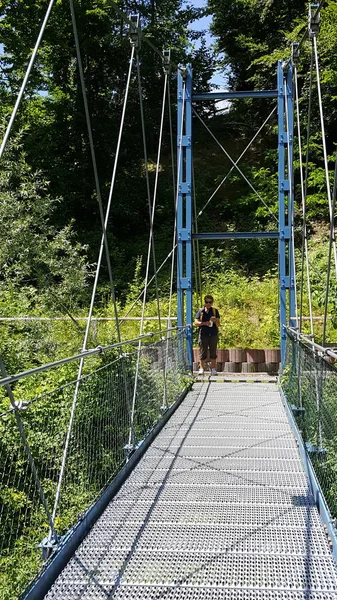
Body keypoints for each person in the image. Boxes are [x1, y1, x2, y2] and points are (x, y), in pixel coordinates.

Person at [194, 295, 220, 376]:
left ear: (212, 303)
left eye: (210, 302)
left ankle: (213, 369)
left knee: (213, 351)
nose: (208, 304)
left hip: (213, 334)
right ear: (204, 302)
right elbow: (195, 322)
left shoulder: (215, 311)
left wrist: (215, 320)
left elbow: (218, 324)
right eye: (206, 302)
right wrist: (204, 323)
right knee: (202, 351)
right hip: (203, 334)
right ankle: (201, 368)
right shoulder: (201, 311)